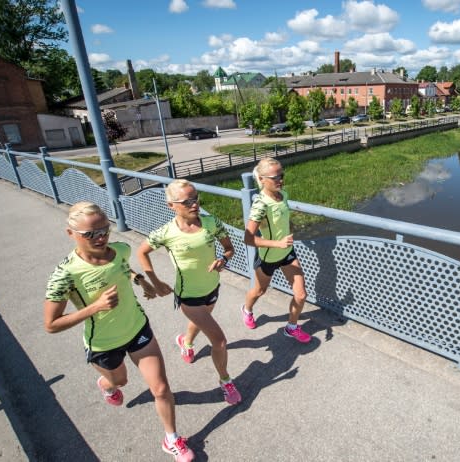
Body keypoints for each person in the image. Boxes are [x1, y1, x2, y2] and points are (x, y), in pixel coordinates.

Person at [43, 202, 194, 462]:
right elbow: (51, 325)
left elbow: (122, 267)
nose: (100, 237)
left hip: (137, 328)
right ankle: (107, 384)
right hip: (103, 343)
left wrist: (141, 281)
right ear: (71, 234)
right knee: (120, 381)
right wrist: (95, 307)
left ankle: (171, 439)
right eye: (90, 234)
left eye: (104, 229)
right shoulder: (65, 274)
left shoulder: (120, 249)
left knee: (160, 388)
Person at [136, 179, 241, 405]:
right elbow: (142, 252)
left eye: (196, 199)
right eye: (187, 202)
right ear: (171, 205)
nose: (194, 204)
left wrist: (223, 259)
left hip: (212, 287)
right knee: (219, 341)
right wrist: (154, 280)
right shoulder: (166, 233)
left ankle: (186, 341)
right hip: (188, 296)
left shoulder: (210, 222)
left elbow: (229, 248)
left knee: (203, 321)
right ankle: (226, 381)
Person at [241, 158, 311, 343]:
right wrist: (277, 243)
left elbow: (282, 216)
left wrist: (290, 226)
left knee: (301, 294)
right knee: (259, 291)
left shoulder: (283, 195)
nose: (280, 180)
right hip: (268, 257)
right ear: (262, 179)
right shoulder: (260, 204)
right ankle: (247, 309)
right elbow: (248, 238)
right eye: (275, 177)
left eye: (282, 175)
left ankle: (291, 327)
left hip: (287, 253)